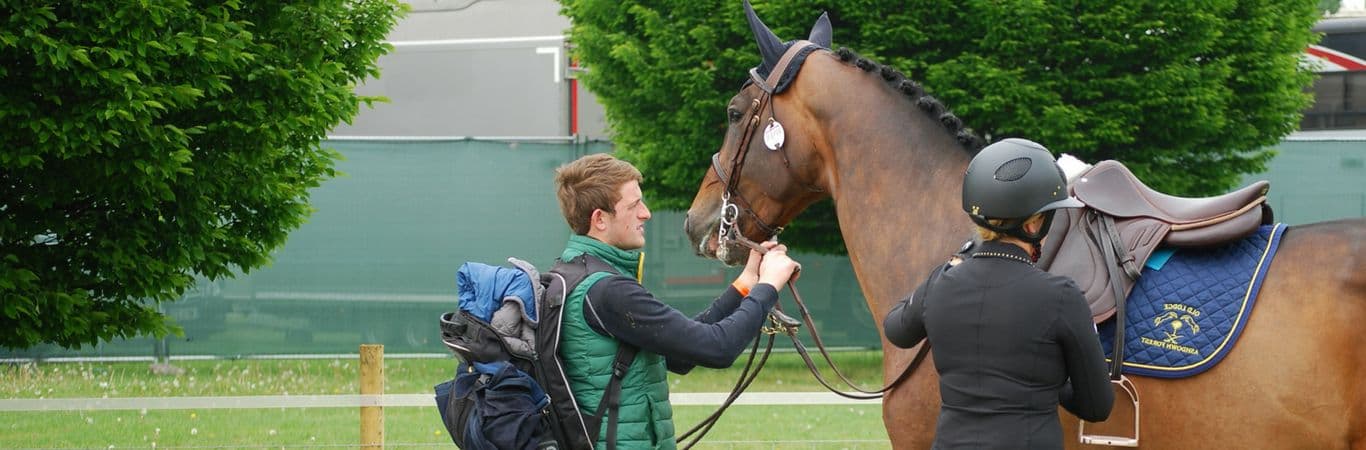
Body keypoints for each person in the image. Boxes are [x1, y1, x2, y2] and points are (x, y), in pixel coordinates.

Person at [552, 153, 801, 449]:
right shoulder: (609, 291)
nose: (646, 213)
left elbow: (680, 356)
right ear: (600, 219)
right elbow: (717, 348)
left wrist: (747, 284)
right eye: (634, 206)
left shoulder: (574, 274)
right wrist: (770, 284)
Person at [882, 138, 1114, 449]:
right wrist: (1049, 382)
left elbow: (896, 329)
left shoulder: (941, 281)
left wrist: (945, 272)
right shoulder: (1061, 296)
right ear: (1033, 224)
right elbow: (1097, 407)